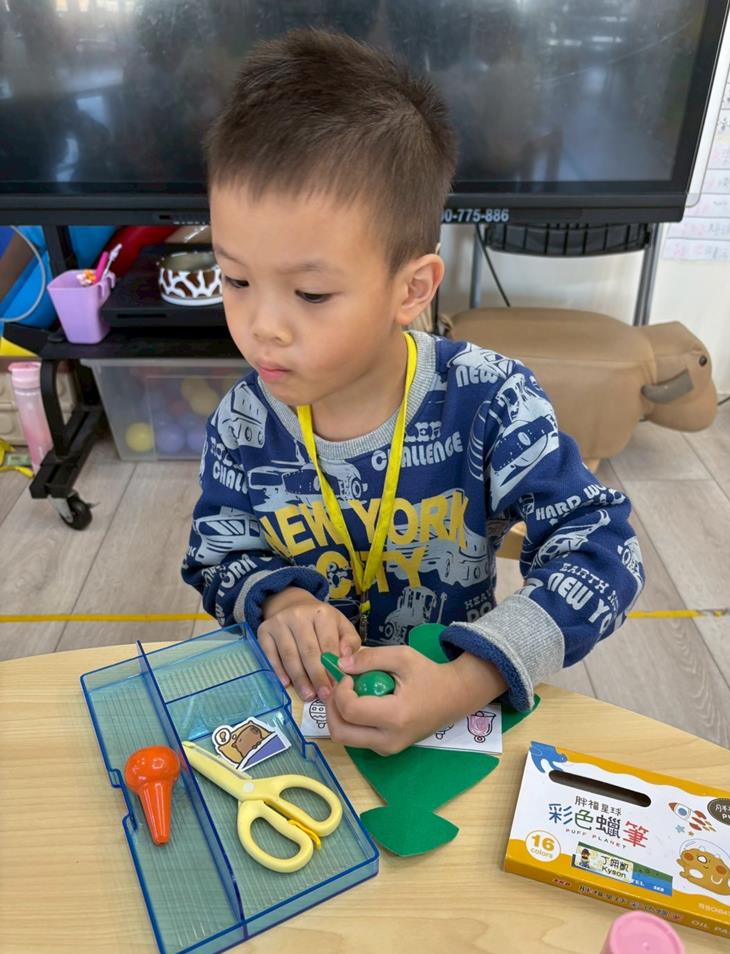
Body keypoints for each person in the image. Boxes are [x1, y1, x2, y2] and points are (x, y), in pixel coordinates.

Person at [182, 28, 644, 755]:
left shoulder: (488, 400)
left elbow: (605, 549)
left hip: (452, 716)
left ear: (411, 289)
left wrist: (467, 678)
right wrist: (280, 599)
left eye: (310, 293)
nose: (261, 326)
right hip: (305, 713)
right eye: (235, 279)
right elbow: (217, 553)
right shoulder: (244, 418)